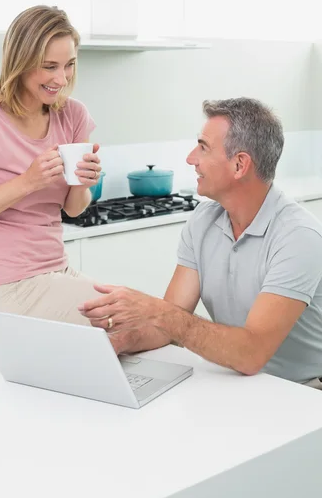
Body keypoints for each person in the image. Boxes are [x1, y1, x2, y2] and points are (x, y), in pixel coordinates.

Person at [80, 97, 322, 387]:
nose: (191, 158)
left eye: (203, 147)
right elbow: (169, 325)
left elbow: (251, 354)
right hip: (237, 380)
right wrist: (118, 341)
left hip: (303, 393)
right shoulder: (204, 220)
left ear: (239, 165)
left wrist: (157, 311)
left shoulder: (298, 237)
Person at [0, 5, 102, 324]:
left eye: (69, 65)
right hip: (7, 286)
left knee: (140, 313)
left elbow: (73, 209)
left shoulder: (72, 115)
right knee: (136, 319)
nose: (61, 78)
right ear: (21, 62)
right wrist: (27, 182)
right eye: (49, 66)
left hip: (58, 270)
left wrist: (83, 181)